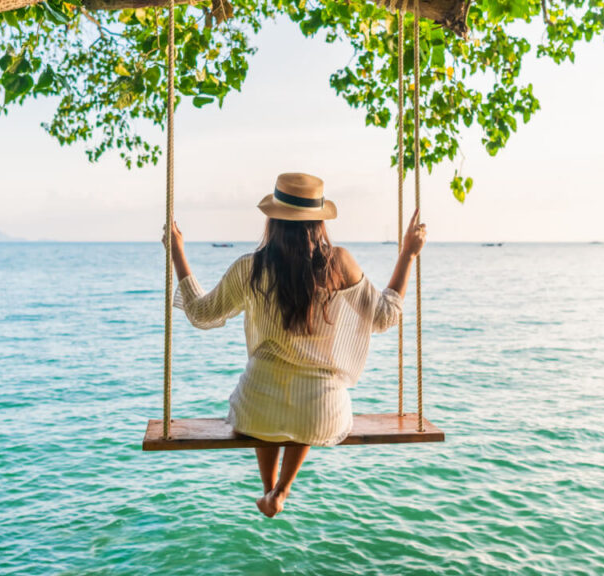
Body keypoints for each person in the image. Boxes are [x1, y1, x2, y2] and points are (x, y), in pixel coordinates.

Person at [163, 172, 427, 517]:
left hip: (255, 410)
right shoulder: (340, 264)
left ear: (272, 220)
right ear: (318, 221)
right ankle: (282, 489)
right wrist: (408, 254)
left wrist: (177, 252)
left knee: (268, 393)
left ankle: (269, 488)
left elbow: (201, 313)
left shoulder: (251, 268)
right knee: (310, 398)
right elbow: (384, 317)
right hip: (322, 414)